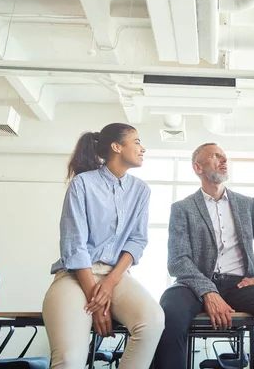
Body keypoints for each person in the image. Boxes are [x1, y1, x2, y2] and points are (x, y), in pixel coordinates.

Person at [154, 143, 254, 369]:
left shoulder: (247, 204)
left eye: (224, 157)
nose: (224, 160)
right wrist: (208, 290)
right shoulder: (182, 208)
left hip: (239, 284)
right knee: (169, 315)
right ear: (198, 167)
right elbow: (178, 260)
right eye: (215, 156)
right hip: (192, 284)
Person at [42, 123, 164, 369]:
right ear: (116, 147)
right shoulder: (82, 184)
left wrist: (108, 284)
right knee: (69, 360)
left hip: (115, 276)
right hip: (76, 276)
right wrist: (95, 303)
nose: (143, 148)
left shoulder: (141, 190)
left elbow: (137, 240)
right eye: (137, 141)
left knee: (152, 321)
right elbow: (74, 244)